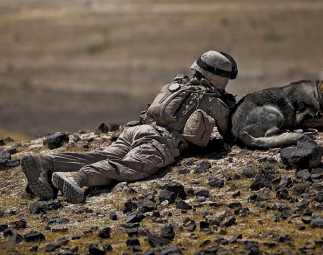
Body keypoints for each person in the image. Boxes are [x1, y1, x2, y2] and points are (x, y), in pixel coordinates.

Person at [20, 50, 238, 203]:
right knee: (131, 167)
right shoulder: (213, 102)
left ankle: (47, 162)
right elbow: (229, 133)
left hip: (136, 131)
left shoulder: (175, 84)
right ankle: (77, 178)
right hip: (161, 141)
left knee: (101, 155)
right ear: (219, 78)